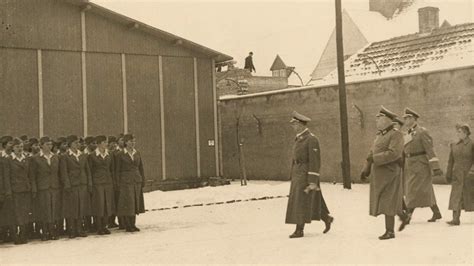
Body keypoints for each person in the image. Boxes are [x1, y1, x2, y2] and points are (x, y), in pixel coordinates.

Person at [285, 111, 334, 238]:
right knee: (313, 198)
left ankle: (299, 230)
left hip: (306, 173)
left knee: (300, 201)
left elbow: (315, 160)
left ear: (301, 124)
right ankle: (326, 218)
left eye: (294, 124)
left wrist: (312, 179)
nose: (293, 126)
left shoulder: (311, 139)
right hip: (298, 172)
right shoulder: (299, 138)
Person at [360, 106, 407, 240]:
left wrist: (375, 159)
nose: (377, 121)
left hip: (390, 173)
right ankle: (404, 216)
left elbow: (394, 154)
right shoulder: (380, 135)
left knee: (388, 201)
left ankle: (390, 231)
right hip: (379, 174)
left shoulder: (396, 134)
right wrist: (366, 169)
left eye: (379, 118)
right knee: (387, 201)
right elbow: (371, 153)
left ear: (387, 120)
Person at [402, 107, 443, 223]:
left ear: (413, 119)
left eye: (407, 118)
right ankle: (436, 212)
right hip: (410, 165)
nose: (405, 120)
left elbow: (430, 149)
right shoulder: (407, 133)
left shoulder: (422, 132)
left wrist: (436, 167)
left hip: (421, 165)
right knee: (424, 190)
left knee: (413, 190)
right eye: (404, 118)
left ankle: (408, 215)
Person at [29, 136, 62, 241]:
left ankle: (53, 231)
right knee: (44, 210)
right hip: (42, 188)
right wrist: (34, 188)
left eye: (51, 144)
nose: (50, 146)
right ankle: (44, 231)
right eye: (47, 144)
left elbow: (59, 173)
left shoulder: (56, 157)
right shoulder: (35, 158)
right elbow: (32, 176)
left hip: (54, 187)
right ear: (41, 146)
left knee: (54, 210)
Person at [59, 135, 93, 238]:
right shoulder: (65, 156)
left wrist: (89, 183)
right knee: (71, 208)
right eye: (75, 143)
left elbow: (87, 171)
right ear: (70, 144)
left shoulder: (83, 155)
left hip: (82, 184)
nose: (77, 145)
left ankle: (79, 228)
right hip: (72, 185)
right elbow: (64, 172)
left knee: (81, 207)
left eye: (78, 143)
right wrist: (67, 185)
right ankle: (71, 229)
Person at [115, 134, 145, 232]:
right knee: (128, 203)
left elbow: (141, 168)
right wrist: (118, 183)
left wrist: (142, 179)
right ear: (125, 142)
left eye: (134, 141)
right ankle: (128, 225)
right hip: (126, 181)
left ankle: (133, 224)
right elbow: (117, 170)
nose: (133, 143)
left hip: (136, 180)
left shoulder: (137, 153)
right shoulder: (120, 154)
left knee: (135, 202)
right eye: (131, 141)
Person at [445, 123, 474, 225]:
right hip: (457, 175)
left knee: (470, 196)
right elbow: (450, 161)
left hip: (469, 176)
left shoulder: (472, 144)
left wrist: (472, 172)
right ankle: (455, 219)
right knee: (456, 196)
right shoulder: (454, 145)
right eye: (457, 132)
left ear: (466, 133)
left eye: (460, 132)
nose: (458, 134)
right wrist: (448, 173)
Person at [6, 138, 32, 244]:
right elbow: (6, 177)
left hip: (25, 190)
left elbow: (29, 175)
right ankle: (15, 236)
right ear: (13, 148)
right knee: (15, 213)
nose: (20, 149)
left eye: (21, 147)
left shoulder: (26, 159)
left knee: (24, 212)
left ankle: (23, 234)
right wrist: (8, 191)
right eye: (17, 147)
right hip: (15, 190)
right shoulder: (8, 160)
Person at [89, 135, 115, 235]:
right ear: (99, 143)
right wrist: (91, 184)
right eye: (104, 142)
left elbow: (112, 169)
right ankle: (99, 226)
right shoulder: (92, 155)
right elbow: (90, 171)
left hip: (108, 182)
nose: (106, 144)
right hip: (97, 183)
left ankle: (105, 225)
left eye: (106, 142)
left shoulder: (109, 154)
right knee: (99, 205)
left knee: (106, 205)